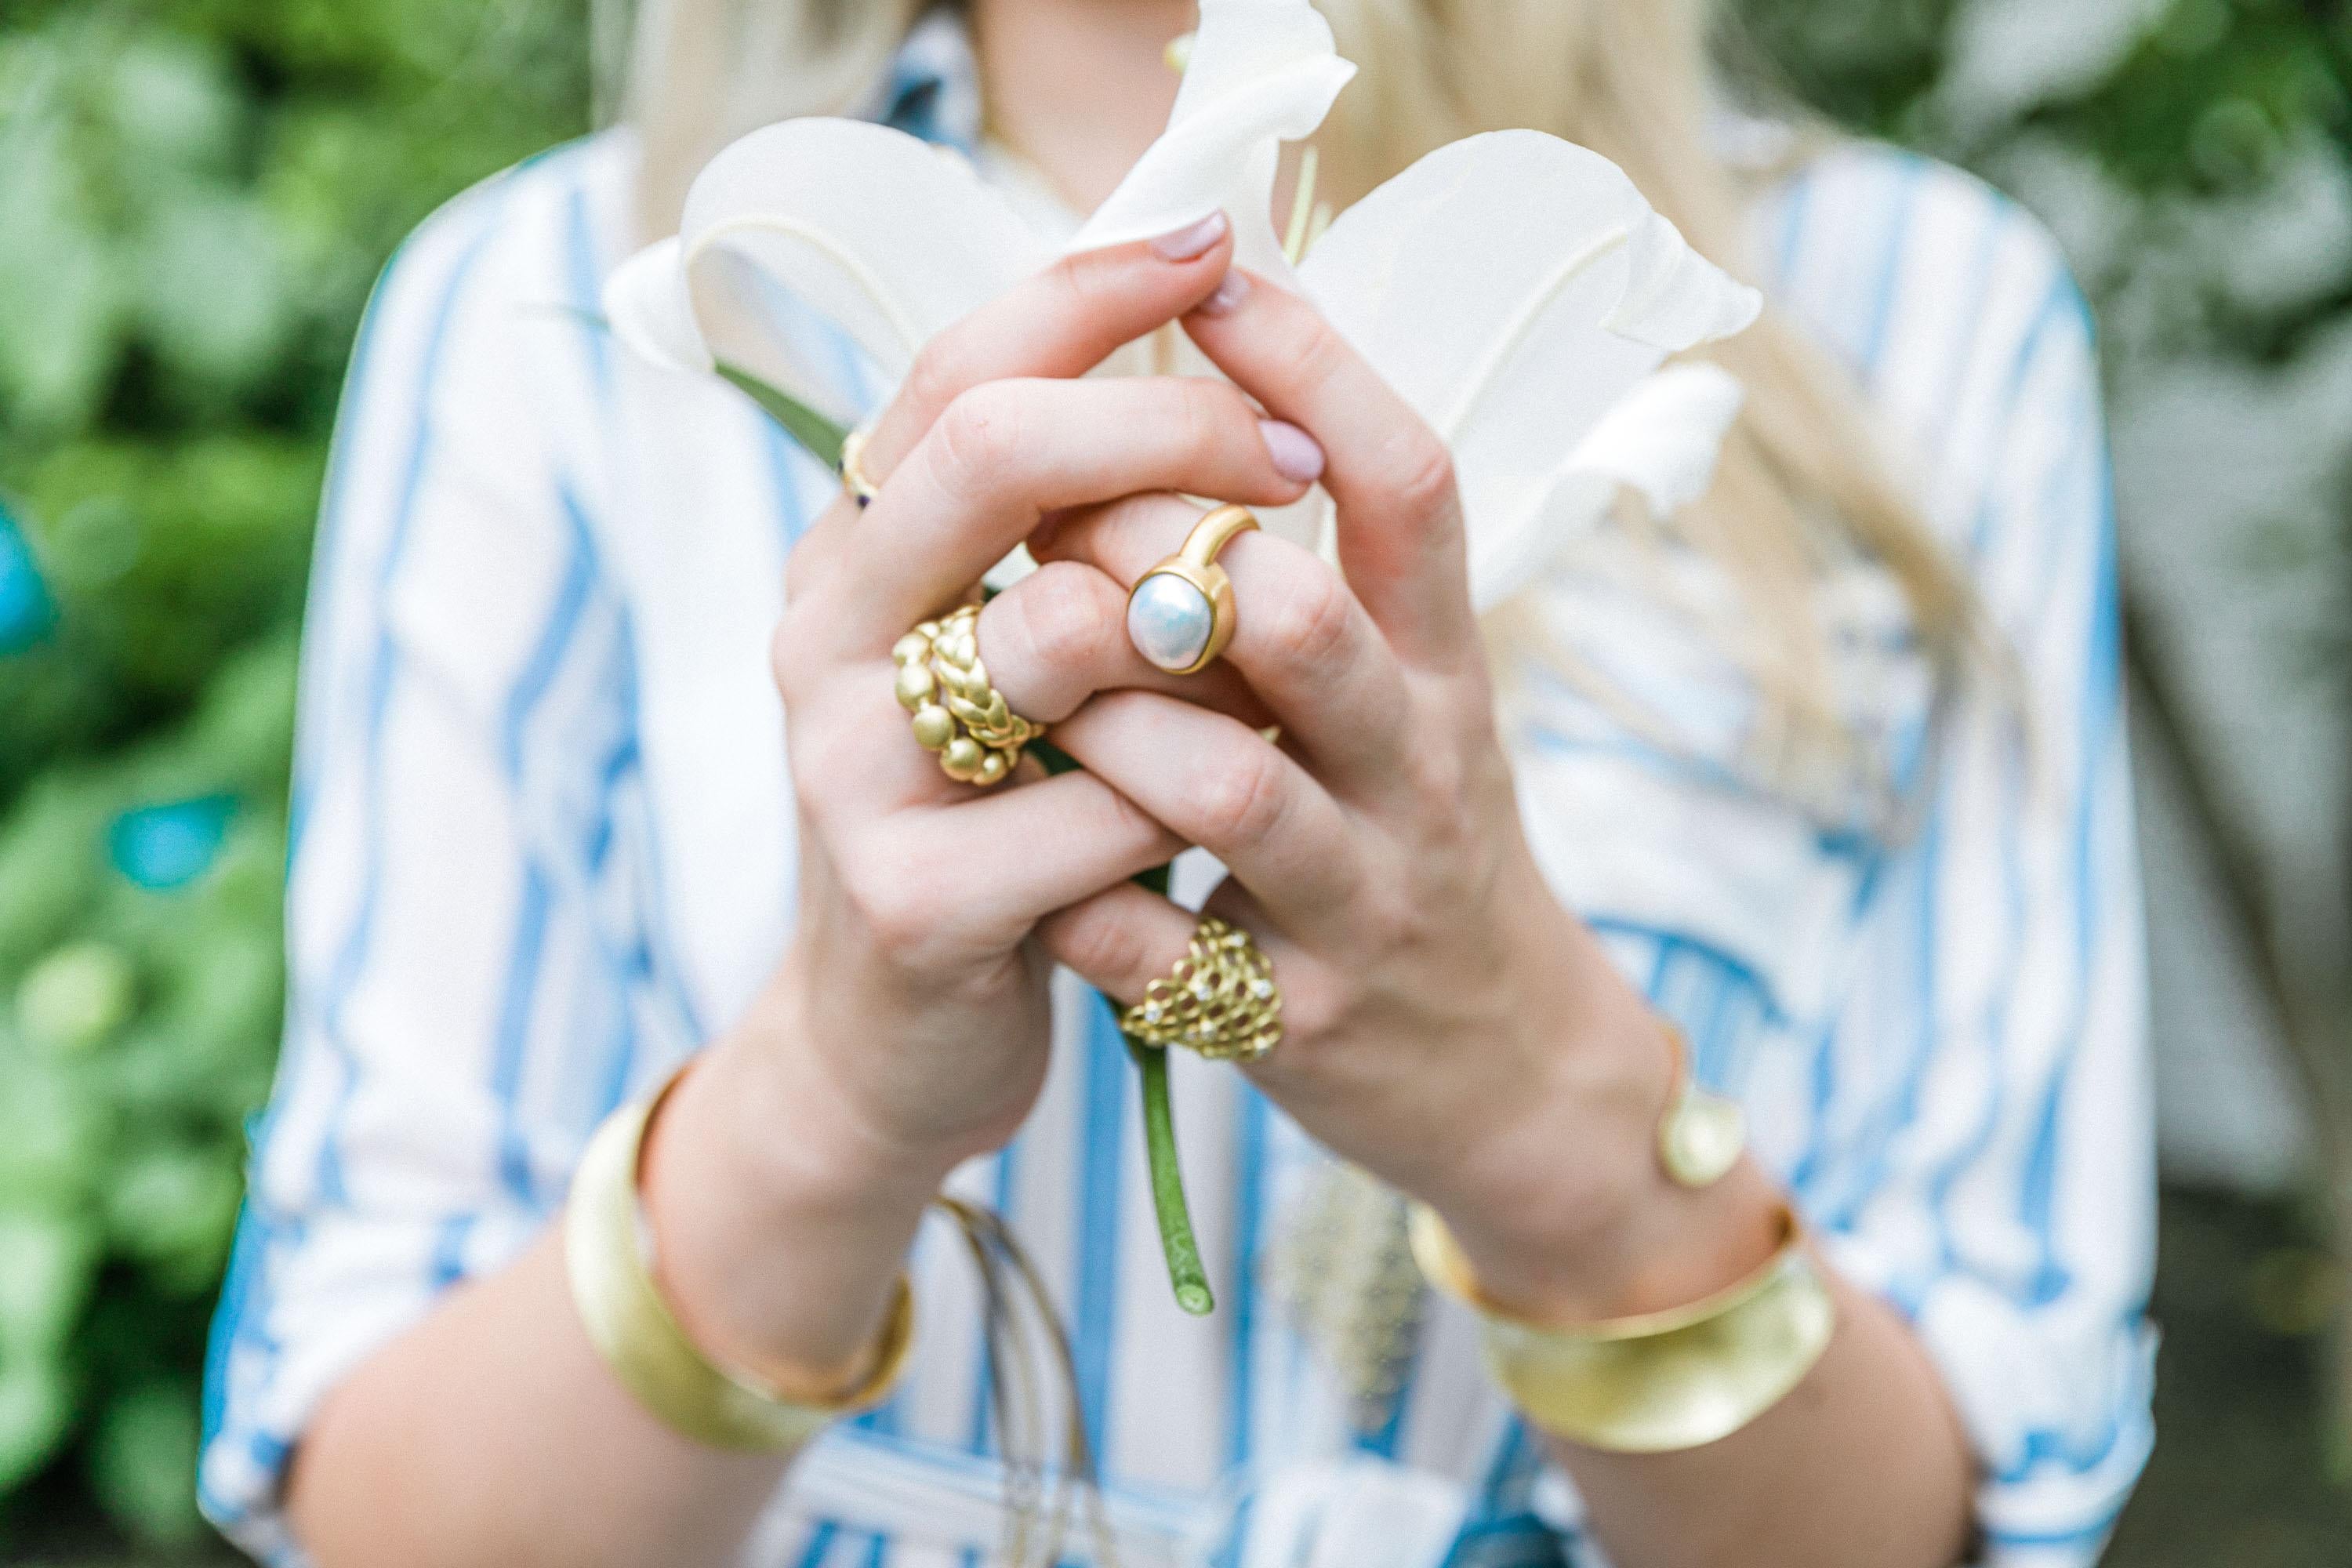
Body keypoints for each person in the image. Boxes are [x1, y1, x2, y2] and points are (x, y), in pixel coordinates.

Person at [198, 2, 2156, 1565]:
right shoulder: (553, 310)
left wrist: (1538, 1104)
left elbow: (1963, 1520)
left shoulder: (1914, 323)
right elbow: (368, 1501)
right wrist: (826, 1089)